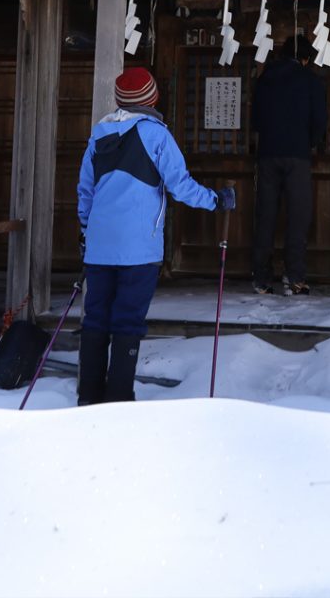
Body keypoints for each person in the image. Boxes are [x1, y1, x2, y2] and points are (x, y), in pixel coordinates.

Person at [76, 66, 235, 404]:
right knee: (128, 321)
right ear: (151, 98)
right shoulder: (157, 134)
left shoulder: (99, 134)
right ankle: (118, 398)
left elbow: (85, 190)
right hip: (139, 249)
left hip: (99, 247)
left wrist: (86, 230)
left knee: (96, 319)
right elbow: (180, 186)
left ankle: (87, 397)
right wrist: (216, 200)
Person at [250, 34, 326, 296]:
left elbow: (256, 119)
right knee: (298, 216)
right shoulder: (310, 80)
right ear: (305, 58)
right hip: (297, 154)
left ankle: (261, 277)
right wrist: (310, 142)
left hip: (268, 153)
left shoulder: (264, 79)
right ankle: (294, 277)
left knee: (266, 215)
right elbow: (320, 121)